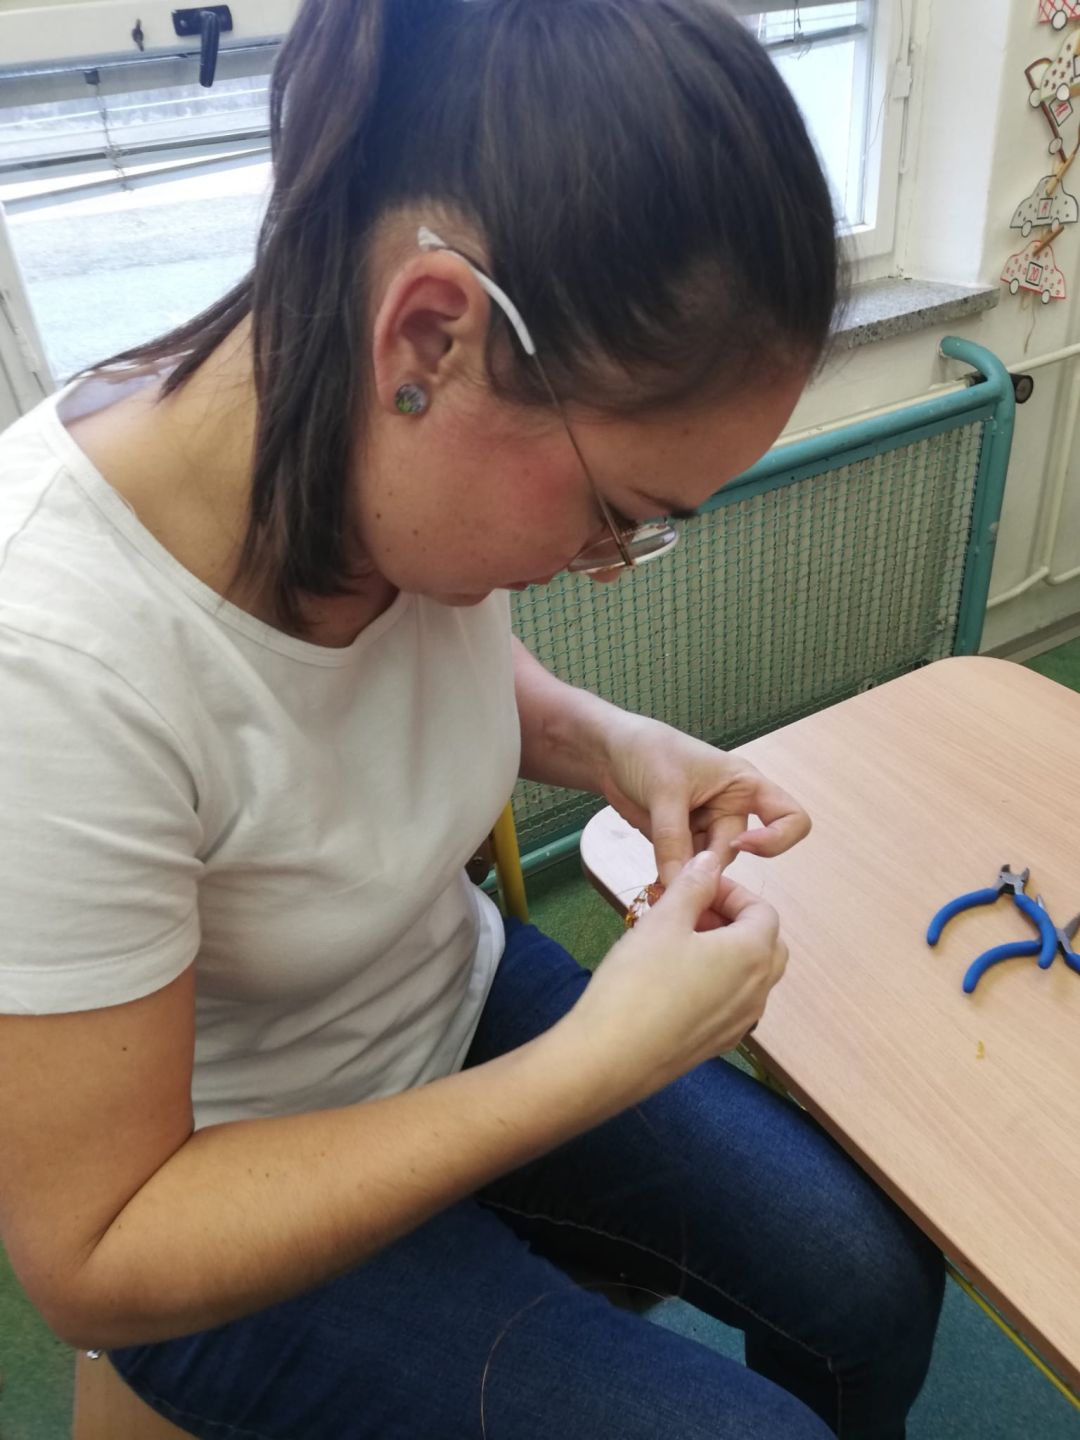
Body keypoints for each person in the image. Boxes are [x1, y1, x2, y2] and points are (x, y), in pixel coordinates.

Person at [0, 1, 944, 1435]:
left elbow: (388, 677)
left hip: (444, 1000)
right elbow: (96, 1257)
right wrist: (596, 1064)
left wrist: (609, 741)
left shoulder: (361, 435)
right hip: (212, 1193)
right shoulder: (51, 655)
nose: (606, 563)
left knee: (871, 1285)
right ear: (432, 332)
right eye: (617, 512)